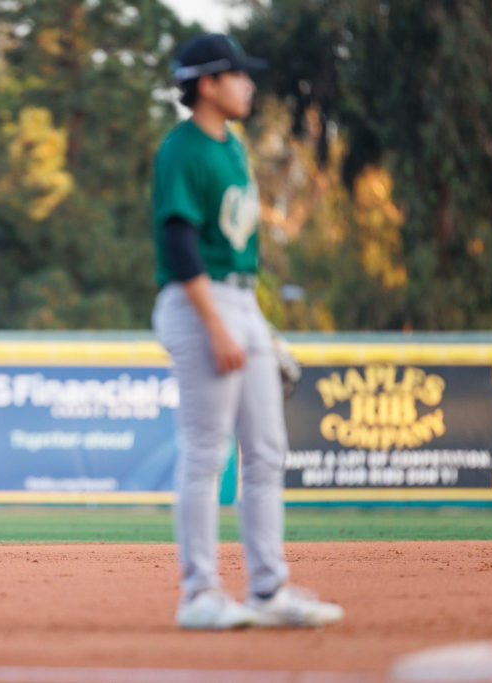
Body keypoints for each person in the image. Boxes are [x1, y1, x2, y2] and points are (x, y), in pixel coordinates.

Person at [151, 34, 344, 629]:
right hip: (198, 302)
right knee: (206, 452)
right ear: (208, 83)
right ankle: (199, 594)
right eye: (238, 75)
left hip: (239, 300)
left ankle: (268, 590)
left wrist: (255, 324)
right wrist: (217, 327)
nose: (249, 84)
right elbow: (179, 244)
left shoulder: (232, 146)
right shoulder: (182, 149)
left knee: (265, 451)